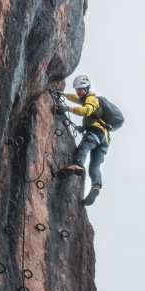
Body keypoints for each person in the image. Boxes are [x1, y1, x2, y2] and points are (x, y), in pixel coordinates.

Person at [56, 75, 110, 206]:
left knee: (85, 145)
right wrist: (62, 94)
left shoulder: (91, 99)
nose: (78, 92)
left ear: (86, 88)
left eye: (80, 89)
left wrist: (67, 108)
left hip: (96, 133)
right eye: (77, 89)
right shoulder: (84, 97)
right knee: (94, 167)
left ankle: (78, 164)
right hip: (104, 139)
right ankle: (96, 187)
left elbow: (86, 111)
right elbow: (75, 98)